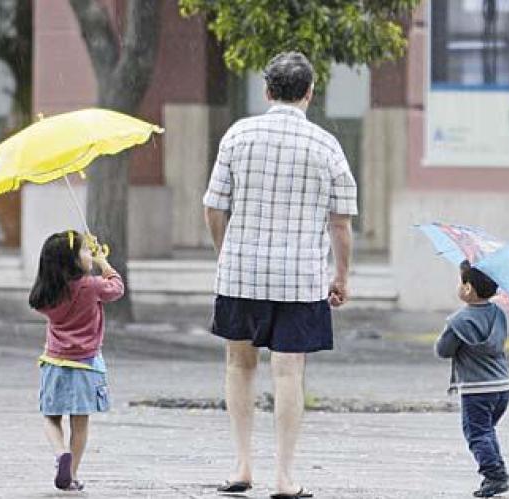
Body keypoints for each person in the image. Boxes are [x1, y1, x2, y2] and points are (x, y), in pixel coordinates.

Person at [203, 51, 357, 499]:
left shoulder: (238, 135)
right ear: (310, 92)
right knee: (288, 373)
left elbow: (213, 206)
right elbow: (341, 223)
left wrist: (225, 253)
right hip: (300, 276)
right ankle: (286, 477)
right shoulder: (326, 145)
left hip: (241, 273)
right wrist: (341, 275)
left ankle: (241, 466)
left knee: (239, 365)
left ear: (267, 91)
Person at [28, 230, 125, 491]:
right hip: (85, 365)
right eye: (84, 251)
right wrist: (104, 263)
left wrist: (89, 257)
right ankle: (70, 475)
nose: (89, 255)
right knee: (79, 424)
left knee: (50, 417)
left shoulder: (47, 294)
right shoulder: (91, 286)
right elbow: (117, 288)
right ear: (72, 260)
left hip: (54, 364)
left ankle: (61, 454)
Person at [435, 260, 509, 498]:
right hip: (502, 387)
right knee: (485, 431)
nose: (459, 286)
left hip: (477, 390)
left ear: (468, 288)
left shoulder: (459, 321)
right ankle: (496, 471)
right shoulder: (498, 314)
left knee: (477, 433)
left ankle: (495, 476)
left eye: (461, 282)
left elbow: (443, 350)